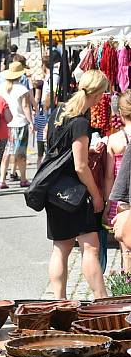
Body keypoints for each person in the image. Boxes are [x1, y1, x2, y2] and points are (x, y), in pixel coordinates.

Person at [45, 69, 108, 299]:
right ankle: (101, 299)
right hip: (74, 193)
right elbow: (81, 167)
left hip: (53, 190)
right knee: (90, 247)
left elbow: (51, 144)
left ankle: (59, 302)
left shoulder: (59, 112)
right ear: (98, 95)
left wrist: (81, 149)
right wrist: (97, 195)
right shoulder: (81, 122)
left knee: (60, 248)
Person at [103, 90, 131, 270]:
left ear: (119, 113)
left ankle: (127, 286)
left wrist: (108, 203)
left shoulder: (115, 139)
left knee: (127, 249)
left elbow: (109, 176)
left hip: (123, 197)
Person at [0, 61, 34, 189]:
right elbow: (25, 107)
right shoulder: (22, 89)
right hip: (20, 123)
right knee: (21, 153)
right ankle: (23, 179)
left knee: (6, 152)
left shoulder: (1, 87)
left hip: (5, 123)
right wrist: (31, 122)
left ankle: (2, 179)